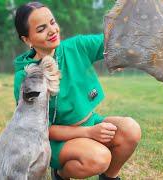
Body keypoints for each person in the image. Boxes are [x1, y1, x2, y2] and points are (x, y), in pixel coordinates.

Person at [13, 2, 141, 180]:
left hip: (90, 123)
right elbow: (40, 129)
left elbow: (112, 40)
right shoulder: (25, 77)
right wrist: (89, 133)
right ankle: (60, 173)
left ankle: (109, 177)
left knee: (130, 130)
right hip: (54, 141)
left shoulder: (75, 47)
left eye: (52, 22)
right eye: (42, 29)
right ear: (27, 39)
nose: (52, 30)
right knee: (99, 158)